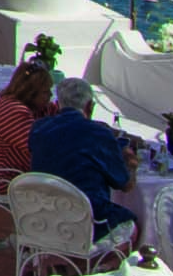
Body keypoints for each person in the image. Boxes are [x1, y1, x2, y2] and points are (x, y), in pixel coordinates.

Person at [25, 78, 146, 234]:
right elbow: (125, 184)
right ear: (89, 106)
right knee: (133, 226)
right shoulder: (99, 134)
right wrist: (131, 160)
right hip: (86, 219)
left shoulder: (38, 127)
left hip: (43, 216)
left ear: (58, 103)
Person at [0, 50, 56, 190]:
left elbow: (59, 112)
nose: (50, 95)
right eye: (45, 92)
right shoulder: (12, 111)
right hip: (1, 183)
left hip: (18, 177)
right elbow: (40, 149)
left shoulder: (35, 106)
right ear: (30, 93)